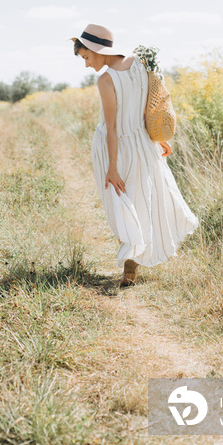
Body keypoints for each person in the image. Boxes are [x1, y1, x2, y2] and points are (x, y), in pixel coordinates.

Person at [72, 23, 199, 287]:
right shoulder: (142, 64)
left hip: (116, 147)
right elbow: (151, 105)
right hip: (143, 143)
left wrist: (112, 167)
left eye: (86, 57)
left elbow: (113, 128)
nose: (86, 64)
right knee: (141, 200)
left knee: (120, 203)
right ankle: (131, 265)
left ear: (96, 50)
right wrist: (157, 138)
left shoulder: (106, 80)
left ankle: (130, 264)